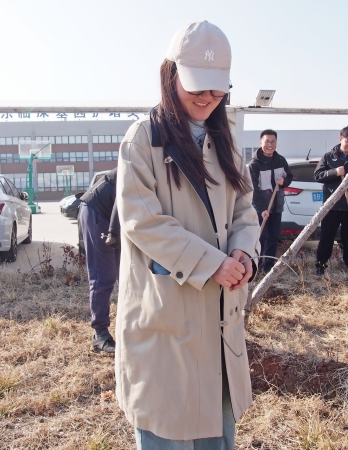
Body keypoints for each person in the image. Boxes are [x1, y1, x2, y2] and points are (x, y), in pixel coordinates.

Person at [115, 20, 260, 448]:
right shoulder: (143, 140)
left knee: (216, 428)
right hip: (166, 317)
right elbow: (143, 222)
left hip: (219, 316)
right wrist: (212, 263)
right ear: (170, 74)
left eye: (217, 90)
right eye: (197, 86)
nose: (206, 98)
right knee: (168, 425)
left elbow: (245, 210)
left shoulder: (225, 139)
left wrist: (244, 254)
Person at [313, 126, 348, 277]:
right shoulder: (328, 157)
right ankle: (320, 267)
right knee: (327, 237)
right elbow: (317, 175)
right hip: (331, 206)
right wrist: (334, 172)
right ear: (340, 139)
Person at [78, 167, 120, 354]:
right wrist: (113, 233)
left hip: (113, 213)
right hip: (99, 211)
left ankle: (129, 327)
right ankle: (100, 335)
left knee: (125, 274)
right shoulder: (140, 160)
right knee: (103, 275)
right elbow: (121, 198)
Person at [248, 129, 292, 273]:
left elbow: (289, 177)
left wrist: (284, 181)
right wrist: (262, 209)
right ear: (261, 143)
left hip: (277, 206)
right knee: (261, 237)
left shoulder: (280, 160)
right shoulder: (255, 164)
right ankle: (258, 267)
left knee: (273, 237)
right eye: (267, 141)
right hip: (261, 208)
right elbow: (253, 189)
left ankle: (269, 268)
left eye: (273, 142)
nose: (270, 145)